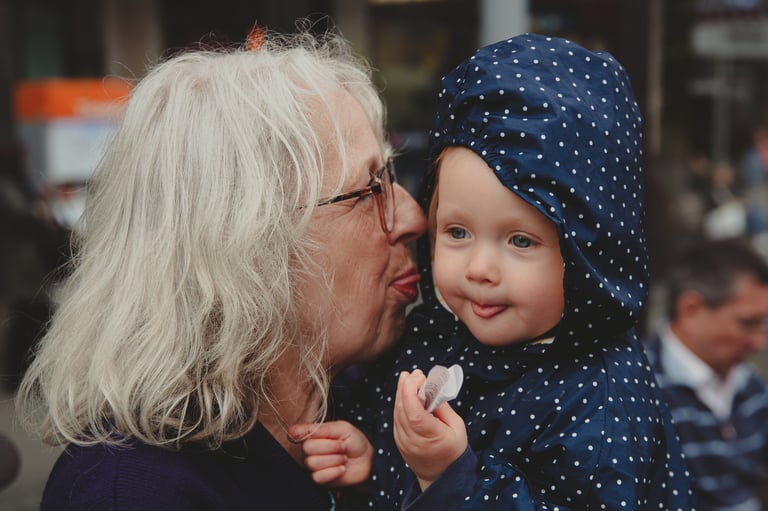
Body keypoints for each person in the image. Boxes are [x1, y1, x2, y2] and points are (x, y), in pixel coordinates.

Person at [14, 27, 426, 510]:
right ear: (249, 245)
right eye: (370, 188)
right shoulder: (132, 494)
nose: (414, 217)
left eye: (391, 176)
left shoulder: (380, 414)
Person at [291, 33, 696, 510]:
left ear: (590, 253)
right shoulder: (437, 334)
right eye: (457, 232)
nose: (480, 269)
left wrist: (454, 478)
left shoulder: (598, 402)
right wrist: (375, 464)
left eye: (521, 241)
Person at [643, 237, 768, 511]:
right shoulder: (636, 391)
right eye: (748, 323)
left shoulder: (751, 387)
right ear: (691, 310)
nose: (759, 342)